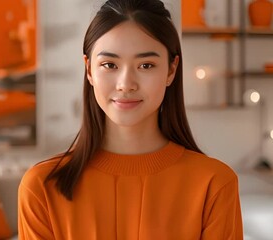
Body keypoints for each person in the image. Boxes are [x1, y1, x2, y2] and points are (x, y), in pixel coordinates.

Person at [18, 0, 244, 239]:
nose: (126, 84)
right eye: (109, 65)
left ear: (171, 70)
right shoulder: (41, 188)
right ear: (89, 70)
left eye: (146, 65)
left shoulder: (215, 185)